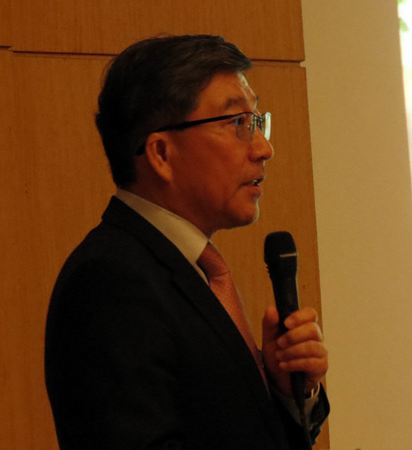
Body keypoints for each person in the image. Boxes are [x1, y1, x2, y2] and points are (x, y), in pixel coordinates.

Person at [44, 35, 329, 449]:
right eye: (238, 123)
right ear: (161, 153)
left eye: (257, 121)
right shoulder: (110, 282)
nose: (264, 148)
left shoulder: (189, 269)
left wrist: (284, 392)